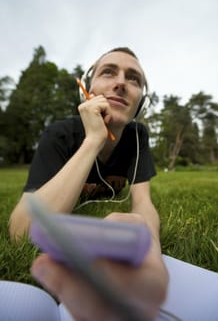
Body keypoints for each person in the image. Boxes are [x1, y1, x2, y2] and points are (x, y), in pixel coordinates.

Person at [9, 47, 169, 320]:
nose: (120, 83)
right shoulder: (58, 134)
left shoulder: (137, 136)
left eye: (134, 79)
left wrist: (148, 243)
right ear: (88, 88)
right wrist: (93, 140)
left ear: (141, 102)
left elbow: (142, 202)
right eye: (108, 72)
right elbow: (22, 232)